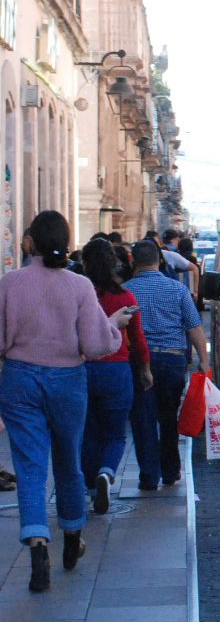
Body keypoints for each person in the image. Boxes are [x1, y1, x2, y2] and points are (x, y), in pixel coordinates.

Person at [0, 211, 131, 592]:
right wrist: (115, 326)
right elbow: (94, 345)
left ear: (30, 243)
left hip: (20, 379)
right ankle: (72, 536)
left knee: (29, 466)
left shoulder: (9, 283)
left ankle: (37, 543)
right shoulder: (79, 286)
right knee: (68, 460)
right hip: (68, 381)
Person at [125, 240, 209, 490]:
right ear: (159, 262)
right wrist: (203, 360)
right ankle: (171, 471)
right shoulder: (177, 289)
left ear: (133, 262)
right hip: (172, 360)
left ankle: (149, 475)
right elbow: (194, 327)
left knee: (143, 418)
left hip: (139, 361)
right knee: (168, 416)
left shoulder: (126, 291)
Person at [80, 238, 152, 515]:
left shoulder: (81, 295)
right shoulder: (125, 297)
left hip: (83, 368)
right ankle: (107, 473)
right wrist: (145, 370)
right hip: (117, 370)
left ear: (85, 264)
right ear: (115, 263)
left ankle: (89, 488)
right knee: (115, 434)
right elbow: (138, 339)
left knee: (87, 433)